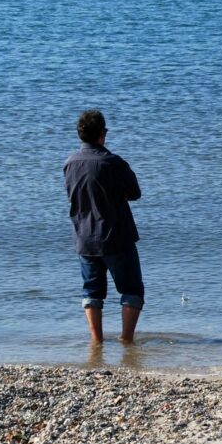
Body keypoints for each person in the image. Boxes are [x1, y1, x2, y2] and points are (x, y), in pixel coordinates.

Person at [64, 110, 145, 345]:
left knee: (92, 291)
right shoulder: (113, 162)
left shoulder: (70, 163)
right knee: (131, 290)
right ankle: (126, 340)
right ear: (102, 134)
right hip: (115, 236)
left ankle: (96, 341)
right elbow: (135, 193)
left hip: (84, 237)